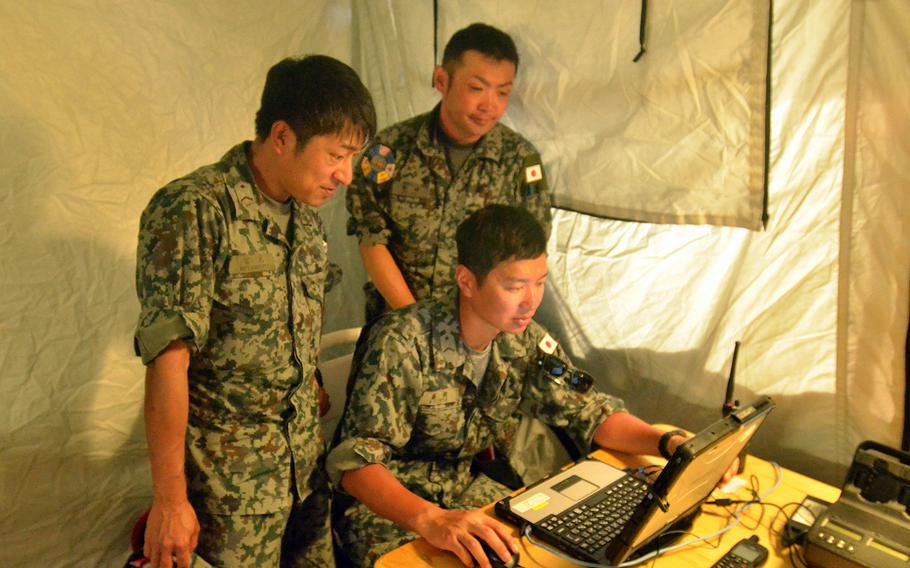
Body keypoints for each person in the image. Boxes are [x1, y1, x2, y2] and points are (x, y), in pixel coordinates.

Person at [327, 205, 707, 568]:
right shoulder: (401, 341)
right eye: (514, 286)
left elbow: (589, 412)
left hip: (464, 492)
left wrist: (667, 442)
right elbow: (355, 465)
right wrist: (431, 520)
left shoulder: (524, 341)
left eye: (539, 283)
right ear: (466, 281)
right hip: (389, 510)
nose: (530, 301)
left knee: (560, 553)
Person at [134, 55, 376, 568]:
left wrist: (306, 378)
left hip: (304, 476)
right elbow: (167, 360)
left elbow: (291, 323)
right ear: (283, 136)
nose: (346, 175)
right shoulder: (196, 209)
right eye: (336, 155)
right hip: (228, 494)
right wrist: (171, 501)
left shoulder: (306, 219)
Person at [346, 22, 552, 324]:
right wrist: (414, 320)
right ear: (442, 80)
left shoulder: (519, 161)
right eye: (477, 88)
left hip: (480, 332)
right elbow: (371, 237)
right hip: (397, 326)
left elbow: (528, 256)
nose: (489, 105)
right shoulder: (392, 150)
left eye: (502, 92)